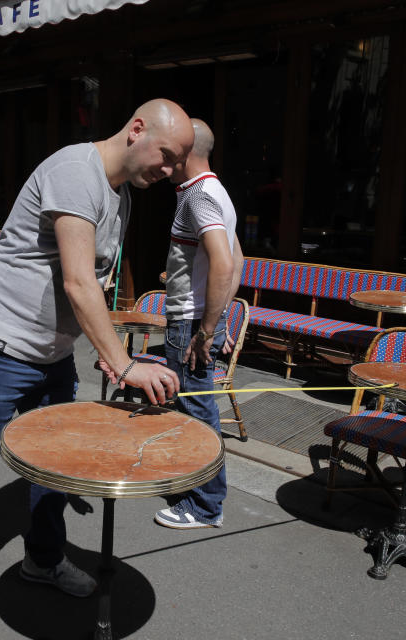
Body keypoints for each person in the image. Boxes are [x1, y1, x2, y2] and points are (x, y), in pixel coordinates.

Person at [0, 99, 194, 637]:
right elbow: (78, 282)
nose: (172, 170)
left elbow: (96, 284)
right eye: (168, 156)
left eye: (179, 163)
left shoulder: (121, 194)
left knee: (58, 467)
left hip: (51, 354)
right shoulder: (74, 172)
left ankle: (42, 559)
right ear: (136, 131)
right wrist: (123, 363)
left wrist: (111, 355)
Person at [154, 119, 244, 530]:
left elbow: (226, 264)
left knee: (196, 412)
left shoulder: (198, 196)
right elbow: (236, 260)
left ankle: (205, 506)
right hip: (198, 317)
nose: (164, 160)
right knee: (195, 408)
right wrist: (219, 317)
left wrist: (207, 330)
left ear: (186, 149)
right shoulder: (215, 192)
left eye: (170, 150)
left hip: (190, 322)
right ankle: (199, 494)